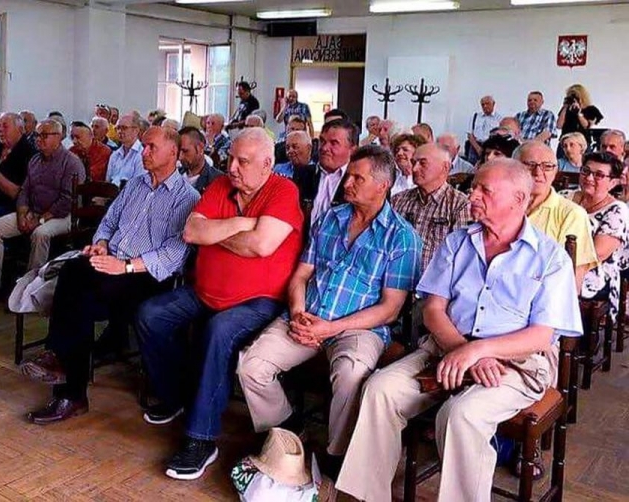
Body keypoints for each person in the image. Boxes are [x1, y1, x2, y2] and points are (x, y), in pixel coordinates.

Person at [335, 159, 583, 502]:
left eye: (485, 190)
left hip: (517, 362)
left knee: (461, 415)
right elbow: (433, 309)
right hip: (445, 347)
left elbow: (541, 335)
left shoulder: (550, 257)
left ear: (518, 199)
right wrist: (460, 349)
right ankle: (367, 497)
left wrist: (477, 351)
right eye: (473, 187)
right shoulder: (457, 242)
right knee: (380, 390)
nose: (473, 196)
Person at [237, 144, 421, 481]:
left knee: (351, 373)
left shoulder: (402, 237)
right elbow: (301, 276)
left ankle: (337, 452)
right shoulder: (331, 218)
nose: (346, 183)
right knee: (251, 366)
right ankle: (287, 432)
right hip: (308, 315)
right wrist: (297, 313)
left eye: (357, 178)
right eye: (348, 175)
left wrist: (330, 328)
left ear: (382, 185)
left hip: (359, 328)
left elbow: (389, 309)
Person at [136, 127, 303, 481]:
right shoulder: (220, 186)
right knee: (151, 315)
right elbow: (191, 232)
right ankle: (178, 395)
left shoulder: (283, 191)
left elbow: (261, 245)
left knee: (218, 330)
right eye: (230, 159)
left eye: (243, 161)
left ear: (267, 164)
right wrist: (242, 224)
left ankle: (201, 439)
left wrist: (215, 232)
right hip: (205, 293)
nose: (233, 167)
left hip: (259, 301)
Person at [18, 126, 199, 425]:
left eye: (151, 147)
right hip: (111, 266)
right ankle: (66, 377)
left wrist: (124, 266)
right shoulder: (136, 184)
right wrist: (101, 244)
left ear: (173, 152)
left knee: (77, 290)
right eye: (144, 146)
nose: (144, 152)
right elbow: (109, 221)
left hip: (147, 276)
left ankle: (66, 380)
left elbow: (173, 255)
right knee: (75, 275)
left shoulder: (187, 197)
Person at [0, 119, 85, 290]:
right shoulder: (35, 160)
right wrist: (22, 215)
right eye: (37, 135)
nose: (39, 139)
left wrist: (40, 220)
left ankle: (30, 283)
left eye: (44, 135)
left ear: (59, 137)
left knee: (40, 233)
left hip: (63, 216)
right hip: (34, 212)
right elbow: (24, 191)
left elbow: (67, 200)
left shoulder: (71, 162)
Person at [518, 141, 597, 290]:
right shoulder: (501, 206)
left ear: (555, 172)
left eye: (547, 166)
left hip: (543, 297)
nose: (538, 172)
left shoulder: (572, 214)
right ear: (512, 168)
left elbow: (573, 282)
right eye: (529, 165)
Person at [564, 152, 628, 321]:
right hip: (558, 261)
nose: (589, 178)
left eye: (599, 175)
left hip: (595, 272)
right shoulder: (565, 197)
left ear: (613, 182)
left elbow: (597, 253)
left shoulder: (617, 210)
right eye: (586, 171)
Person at [393, 143, 471, 270]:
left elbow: (461, 258)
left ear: (445, 167)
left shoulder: (460, 205)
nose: (414, 169)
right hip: (395, 276)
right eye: (413, 162)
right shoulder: (398, 200)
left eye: (423, 163)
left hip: (435, 280)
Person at [0, 113, 36, 220]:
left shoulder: (28, 153)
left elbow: (15, 193)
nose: (0, 130)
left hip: (10, 205)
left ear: (20, 129)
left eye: (5, 126)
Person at [312, 119, 358, 223]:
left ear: (352, 150)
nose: (324, 148)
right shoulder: (303, 175)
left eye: (334, 143)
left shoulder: (358, 182)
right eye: (322, 141)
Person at [556, 84, 602, 150]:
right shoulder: (566, 110)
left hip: (582, 143)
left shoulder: (591, 109)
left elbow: (587, 126)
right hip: (566, 142)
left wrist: (578, 112)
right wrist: (565, 107)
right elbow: (559, 125)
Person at [177, 126, 222, 193]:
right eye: (178, 151)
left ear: (200, 149)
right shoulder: (175, 174)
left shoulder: (217, 181)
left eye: (185, 151)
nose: (180, 157)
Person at [105, 114, 145, 185]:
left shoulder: (142, 155)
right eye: (118, 128)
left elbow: (138, 186)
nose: (120, 131)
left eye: (124, 128)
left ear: (136, 130)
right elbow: (107, 182)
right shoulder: (115, 155)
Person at [465, 95, 502, 164]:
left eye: (487, 103)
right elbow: (470, 134)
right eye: (483, 104)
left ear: (493, 104)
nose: (485, 106)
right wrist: (478, 148)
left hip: (490, 147)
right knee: (471, 167)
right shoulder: (475, 116)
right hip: (475, 147)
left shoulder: (499, 119)